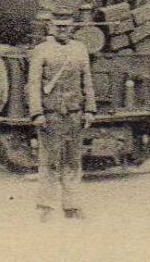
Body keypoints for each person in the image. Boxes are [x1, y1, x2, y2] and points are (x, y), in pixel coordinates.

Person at [26, 13, 97, 221]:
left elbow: (87, 82)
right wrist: (37, 113)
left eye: (66, 26)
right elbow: (34, 84)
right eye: (58, 26)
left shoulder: (80, 49)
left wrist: (90, 109)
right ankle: (46, 206)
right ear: (50, 27)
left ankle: (72, 206)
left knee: (73, 162)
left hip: (74, 113)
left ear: (72, 27)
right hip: (50, 114)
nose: (62, 29)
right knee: (49, 162)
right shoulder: (41, 51)